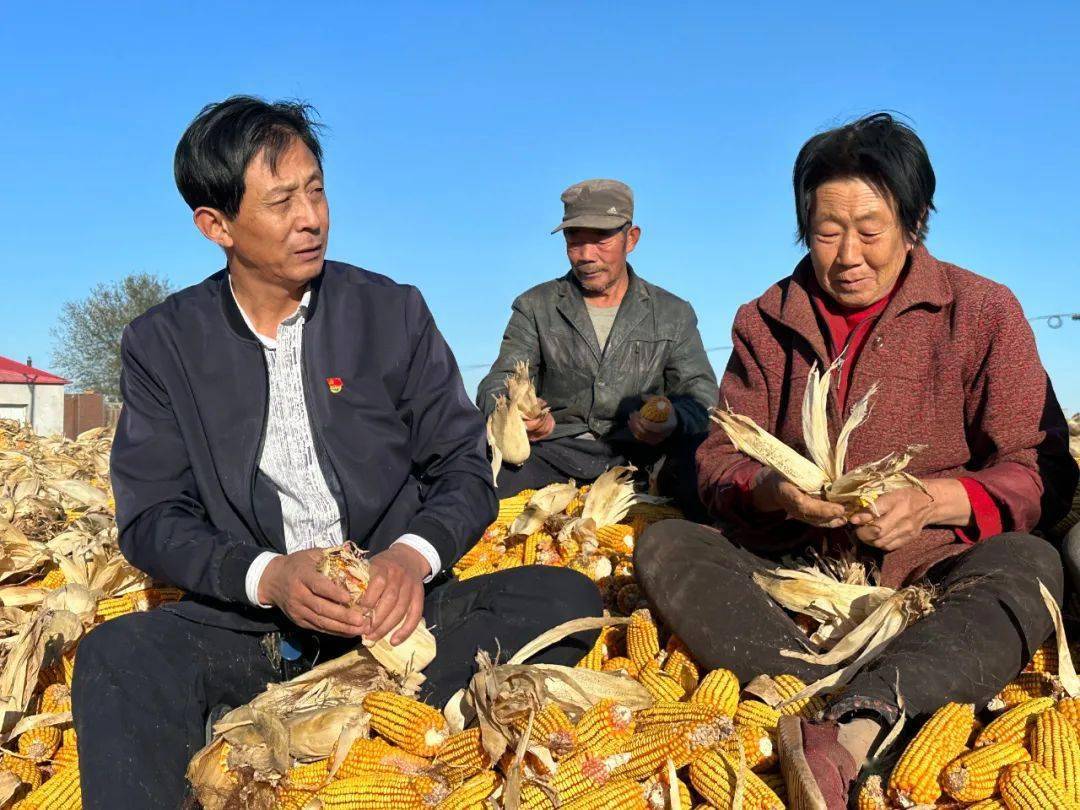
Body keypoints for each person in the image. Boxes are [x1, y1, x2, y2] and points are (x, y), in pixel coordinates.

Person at [71, 96, 602, 810]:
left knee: (565, 599)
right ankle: (312, 721)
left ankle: (321, 728)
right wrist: (269, 576)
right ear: (215, 225)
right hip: (250, 628)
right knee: (116, 656)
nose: (311, 218)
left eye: (316, 190)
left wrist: (409, 559)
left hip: (395, 624)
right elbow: (152, 517)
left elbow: (463, 466)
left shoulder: (391, 312)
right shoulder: (163, 344)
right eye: (281, 201)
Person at [633, 113, 1078, 809]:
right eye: (826, 232)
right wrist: (776, 491)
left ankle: (862, 719)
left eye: (870, 231)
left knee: (1031, 565)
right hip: (795, 575)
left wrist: (933, 502)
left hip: (935, 572)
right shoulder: (766, 320)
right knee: (667, 546)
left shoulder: (982, 311)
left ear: (915, 222)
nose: (847, 256)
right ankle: (808, 697)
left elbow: (1038, 466)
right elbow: (719, 459)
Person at [476, 178, 717, 502]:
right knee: (478, 469)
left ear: (631, 239)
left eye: (601, 239)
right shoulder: (534, 306)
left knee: (702, 468)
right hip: (554, 453)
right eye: (574, 240)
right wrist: (517, 415)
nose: (586, 255)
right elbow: (498, 381)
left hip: (643, 458)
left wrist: (673, 420)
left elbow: (702, 397)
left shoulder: (673, 313)